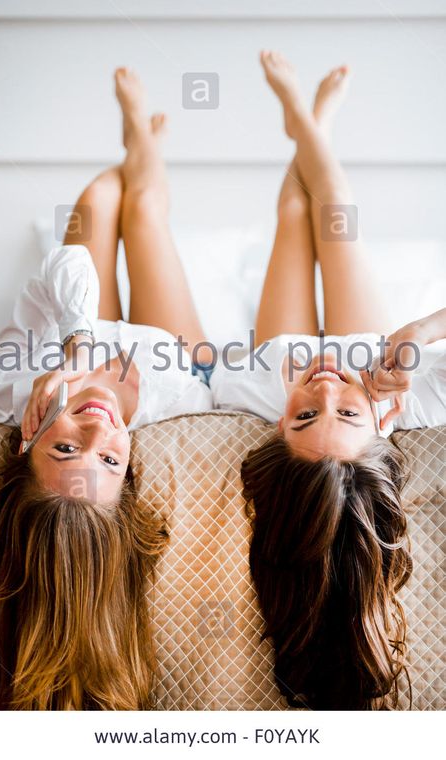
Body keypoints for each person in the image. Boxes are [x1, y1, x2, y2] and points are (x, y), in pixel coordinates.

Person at [211, 51, 446, 709]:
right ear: (382, 427)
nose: (322, 391)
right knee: (334, 203)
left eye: (302, 418)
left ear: (278, 430)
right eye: (344, 414)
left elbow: (200, 377)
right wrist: (420, 334)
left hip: (278, 350)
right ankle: (311, 120)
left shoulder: (270, 388)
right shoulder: (411, 395)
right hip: (374, 346)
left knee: (292, 213)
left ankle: (304, 120)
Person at [0, 68, 214, 710]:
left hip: (80, 324)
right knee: (145, 211)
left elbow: (65, 264)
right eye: (108, 459)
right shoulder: (170, 408)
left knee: (99, 197)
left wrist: (77, 345)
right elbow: (196, 385)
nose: (97, 430)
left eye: (63, 449)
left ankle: (133, 142)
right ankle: (148, 150)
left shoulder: (4, 391)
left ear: (26, 438)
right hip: (167, 350)